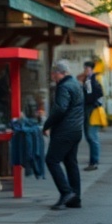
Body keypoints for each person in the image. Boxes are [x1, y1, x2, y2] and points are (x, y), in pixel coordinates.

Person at [43, 60, 84, 209]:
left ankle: (66, 193)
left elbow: (60, 109)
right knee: (70, 162)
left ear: (60, 72)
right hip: (76, 130)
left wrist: (47, 125)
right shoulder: (76, 84)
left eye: (54, 74)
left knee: (52, 160)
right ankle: (76, 198)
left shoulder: (64, 87)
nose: (53, 77)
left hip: (64, 131)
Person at [81, 60, 104, 171]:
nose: (85, 70)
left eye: (87, 68)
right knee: (90, 136)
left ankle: (94, 161)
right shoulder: (89, 80)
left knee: (91, 135)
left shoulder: (92, 80)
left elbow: (97, 94)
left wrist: (92, 103)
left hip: (91, 109)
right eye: (85, 68)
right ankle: (94, 159)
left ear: (91, 69)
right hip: (89, 108)